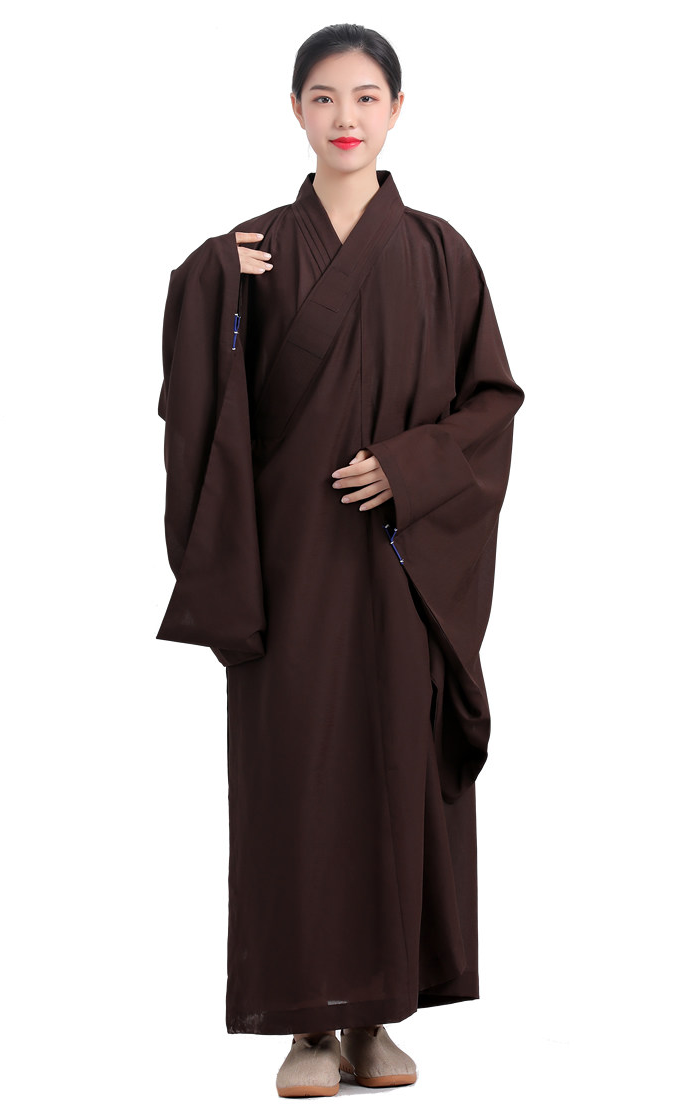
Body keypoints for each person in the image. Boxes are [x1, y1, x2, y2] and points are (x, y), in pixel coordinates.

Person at [156, 22, 525, 1099]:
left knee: (392, 774)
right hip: (287, 566)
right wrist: (212, 281)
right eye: (324, 97)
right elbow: (193, 397)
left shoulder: (440, 254)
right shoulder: (252, 250)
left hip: (399, 568)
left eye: (367, 97)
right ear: (296, 111)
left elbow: (491, 403)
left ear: (398, 110)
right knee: (293, 779)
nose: (346, 117)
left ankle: (375, 1016)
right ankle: (305, 1027)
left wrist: (407, 466)